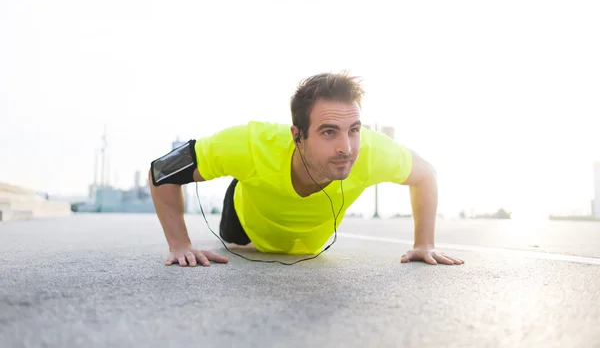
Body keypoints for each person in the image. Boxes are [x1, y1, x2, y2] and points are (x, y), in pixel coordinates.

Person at [148, 72, 464, 268]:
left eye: (353, 129)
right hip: (246, 227)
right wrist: (180, 246)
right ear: (297, 135)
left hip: (311, 240)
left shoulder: (370, 150)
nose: (347, 148)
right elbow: (162, 170)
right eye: (329, 132)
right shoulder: (250, 143)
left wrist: (424, 244)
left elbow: (426, 175)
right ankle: (247, 181)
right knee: (245, 188)